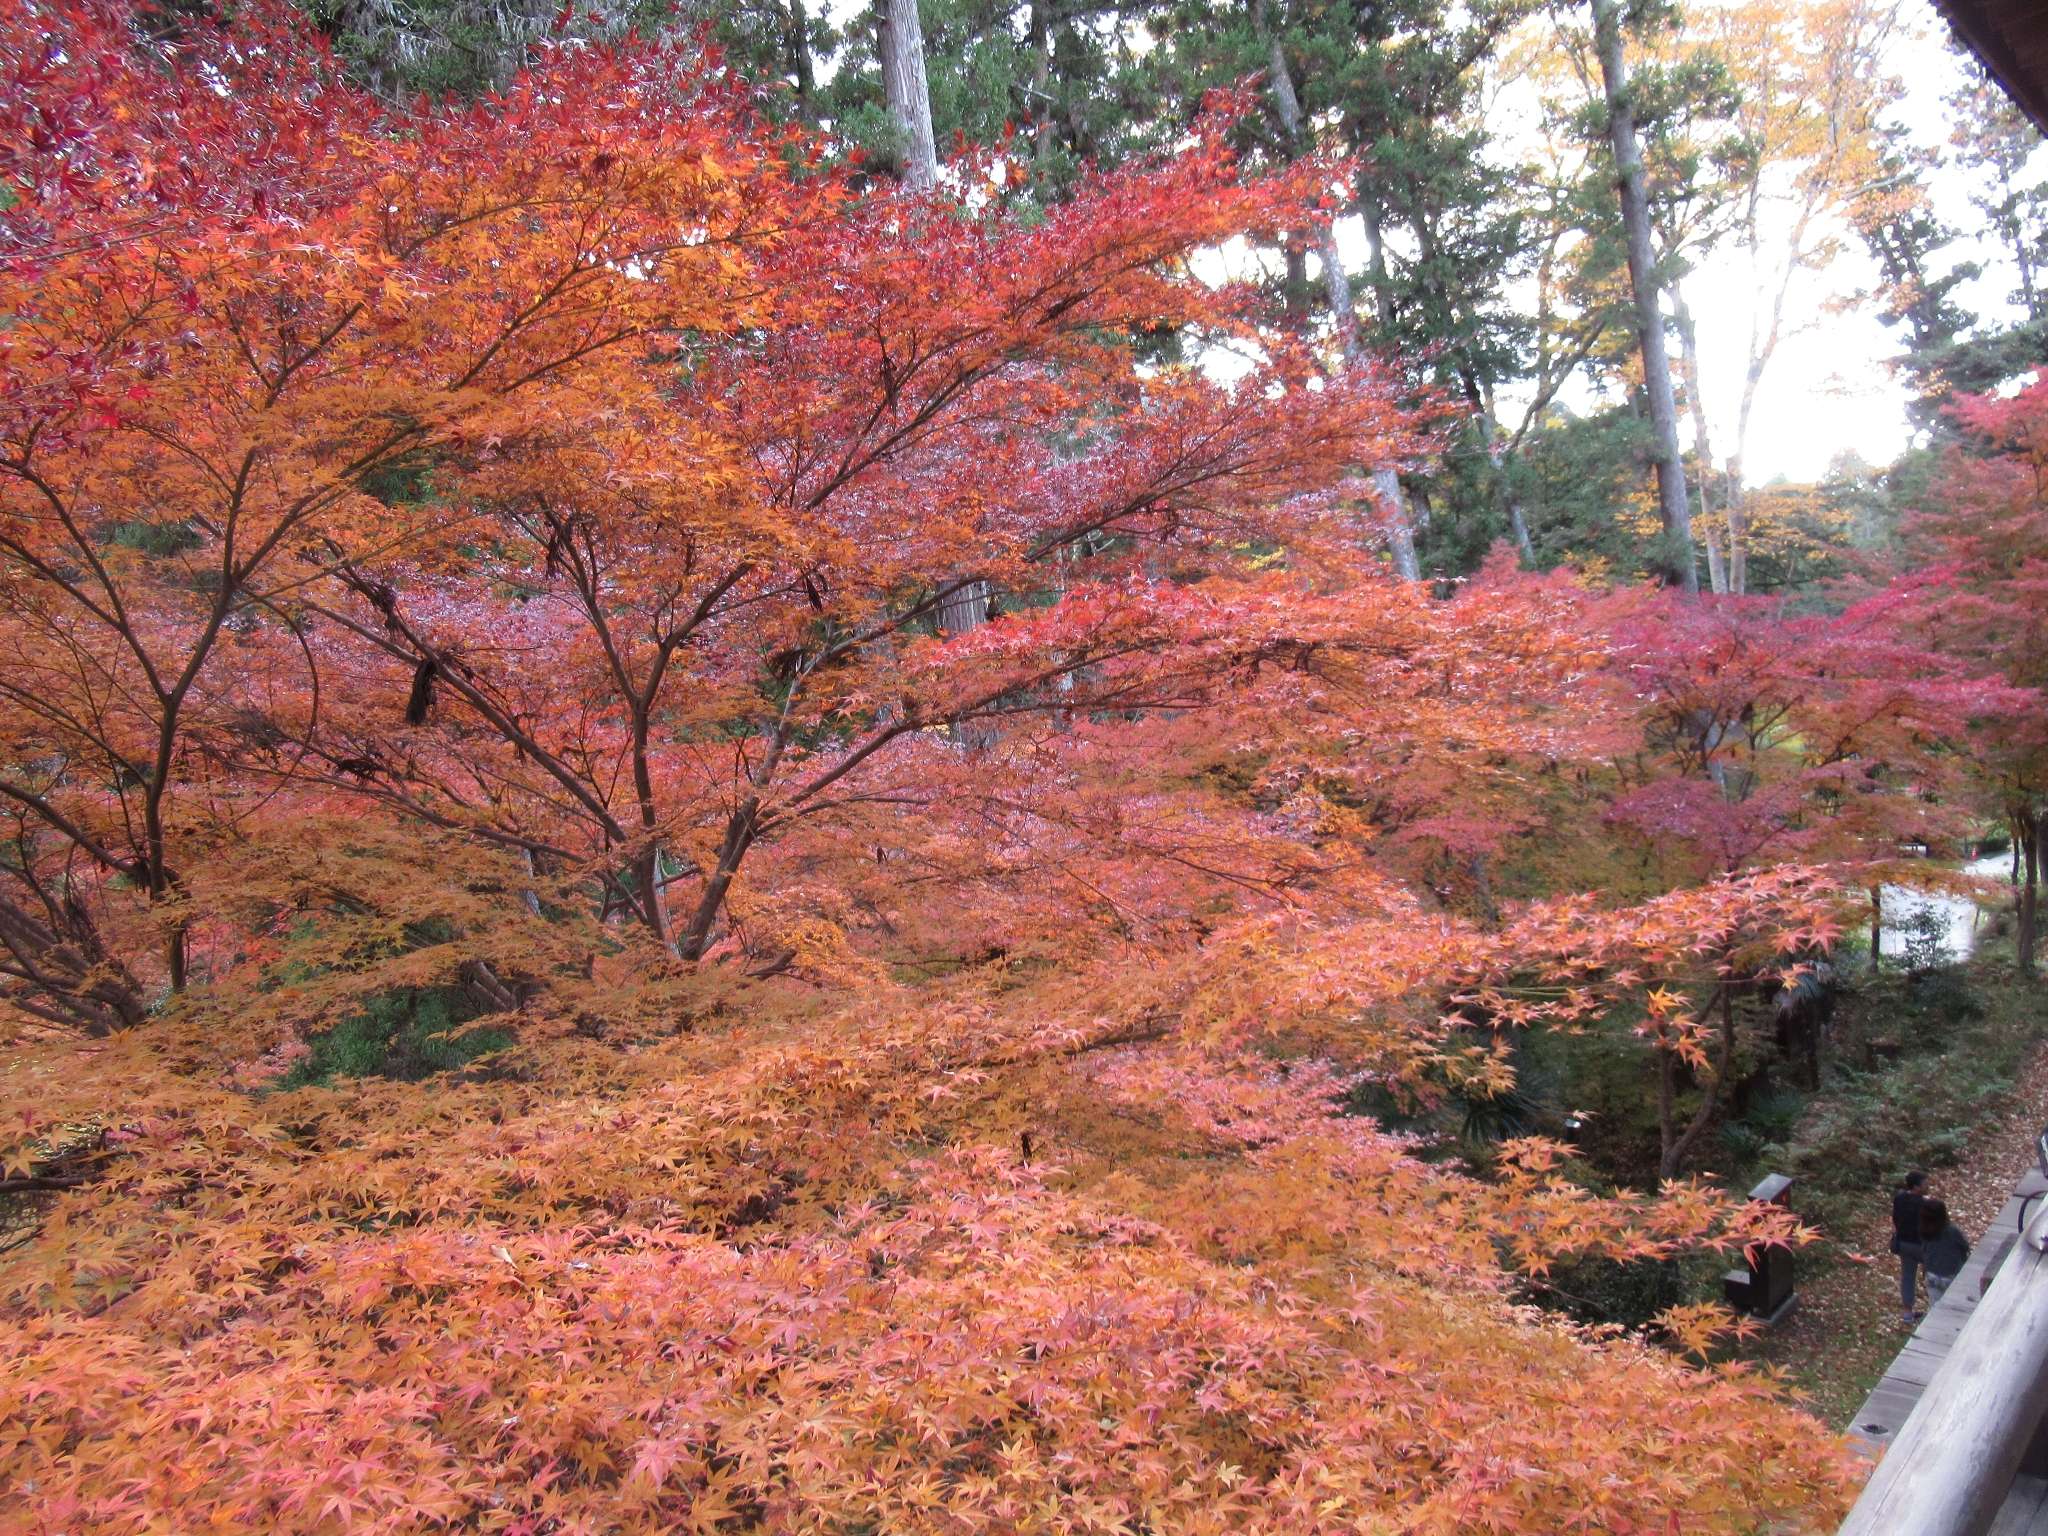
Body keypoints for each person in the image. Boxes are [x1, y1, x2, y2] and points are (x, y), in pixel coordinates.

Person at [1892, 1171, 1929, 1323]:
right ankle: (1936, 1306)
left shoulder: (1899, 1198)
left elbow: (1895, 1218)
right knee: (1933, 1275)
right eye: (1925, 1184)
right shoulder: (1923, 1204)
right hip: (1920, 1245)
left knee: (1908, 1275)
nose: (1928, 1186)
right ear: (1916, 1187)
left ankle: (1907, 1312)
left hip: (1903, 1243)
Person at [1921, 1198, 1971, 1306]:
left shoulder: (1924, 1231)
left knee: (1934, 1306)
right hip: (1951, 1274)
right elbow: (1965, 1246)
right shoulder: (1951, 1231)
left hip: (1932, 1275)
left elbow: (1924, 1251)